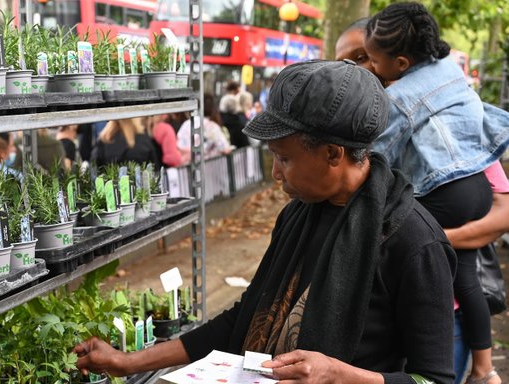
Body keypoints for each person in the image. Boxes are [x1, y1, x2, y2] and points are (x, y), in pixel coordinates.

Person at [74, 60, 457, 384]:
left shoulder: (414, 242)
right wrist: (127, 362)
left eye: (284, 158)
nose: (275, 173)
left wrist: (342, 375)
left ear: (333, 153)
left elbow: (434, 379)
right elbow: (244, 317)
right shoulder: (298, 215)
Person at [336, 15, 509, 384]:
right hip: (387, 314)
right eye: (345, 62)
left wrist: (426, 244)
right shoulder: (449, 81)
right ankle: (486, 369)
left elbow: (502, 215)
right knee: (465, 277)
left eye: (365, 57)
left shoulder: (402, 104)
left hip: (440, 322)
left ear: (398, 61)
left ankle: (483, 367)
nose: (357, 69)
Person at [177, 93, 232, 164]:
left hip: (186, 169)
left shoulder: (186, 124)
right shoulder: (213, 127)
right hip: (208, 169)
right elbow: (225, 149)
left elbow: (179, 146)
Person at [91, 118, 159, 167]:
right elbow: (155, 168)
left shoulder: (104, 140)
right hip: (141, 184)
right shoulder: (143, 140)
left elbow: (95, 167)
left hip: (110, 184)